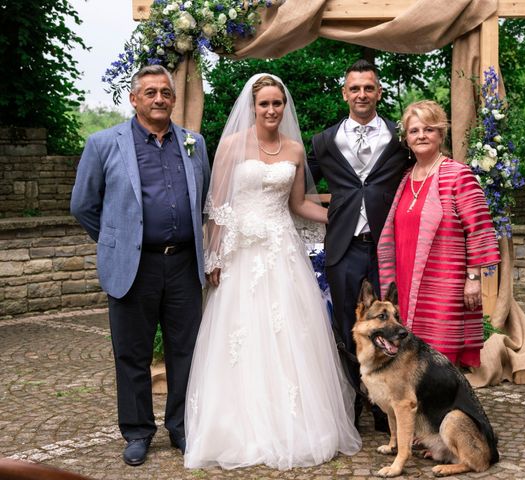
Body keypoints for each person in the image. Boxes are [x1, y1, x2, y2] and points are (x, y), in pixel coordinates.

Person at [184, 74, 361, 470]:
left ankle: (294, 424)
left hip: (282, 251)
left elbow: (299, 204)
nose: (270, 110)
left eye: (276, 103)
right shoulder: (231, 146)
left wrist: (344, 217)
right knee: (242, 335)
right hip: (242, 254)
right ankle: (238, 426)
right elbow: (217, 207)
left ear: (284, 106)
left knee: (289, 336)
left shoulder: (296, 149)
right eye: (263, 103)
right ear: (252, 106)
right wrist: (213, 256)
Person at [70, 65, 211, 466]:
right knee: (131, 354)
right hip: (134, 266)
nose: (159, 99)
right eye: (150, 92)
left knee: (186, 350)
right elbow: (83, 205)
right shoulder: (103, 143)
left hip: (183, 263)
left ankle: (181, 427)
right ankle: (137, 431)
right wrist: (119, 240)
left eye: (165, 92)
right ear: (134, 99)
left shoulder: (193, 142)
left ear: (173, 98)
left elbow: (201, 200)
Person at [308, 59, 411, 430]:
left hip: (388, 248)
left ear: (378, 92)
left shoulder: (402, 138)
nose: (362, 94)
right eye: (355, 88)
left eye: (369, 88)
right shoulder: (324, 141)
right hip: (343, 250)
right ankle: (353, 402)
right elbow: (296, 181)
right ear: (345, 93)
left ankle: (388, 409)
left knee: (391, 326)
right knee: (346, 329)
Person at [378, 100, 500, 368]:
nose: (421, 135)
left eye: (429, 129)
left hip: (444, 282)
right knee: (410, 359)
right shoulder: (405, 178)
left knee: (440, 356)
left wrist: (473, 277)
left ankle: (448, 408)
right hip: (406, 281)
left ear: (441, 134)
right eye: (414, 130)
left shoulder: (458, 175)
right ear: (406, 138)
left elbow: (478, 228)